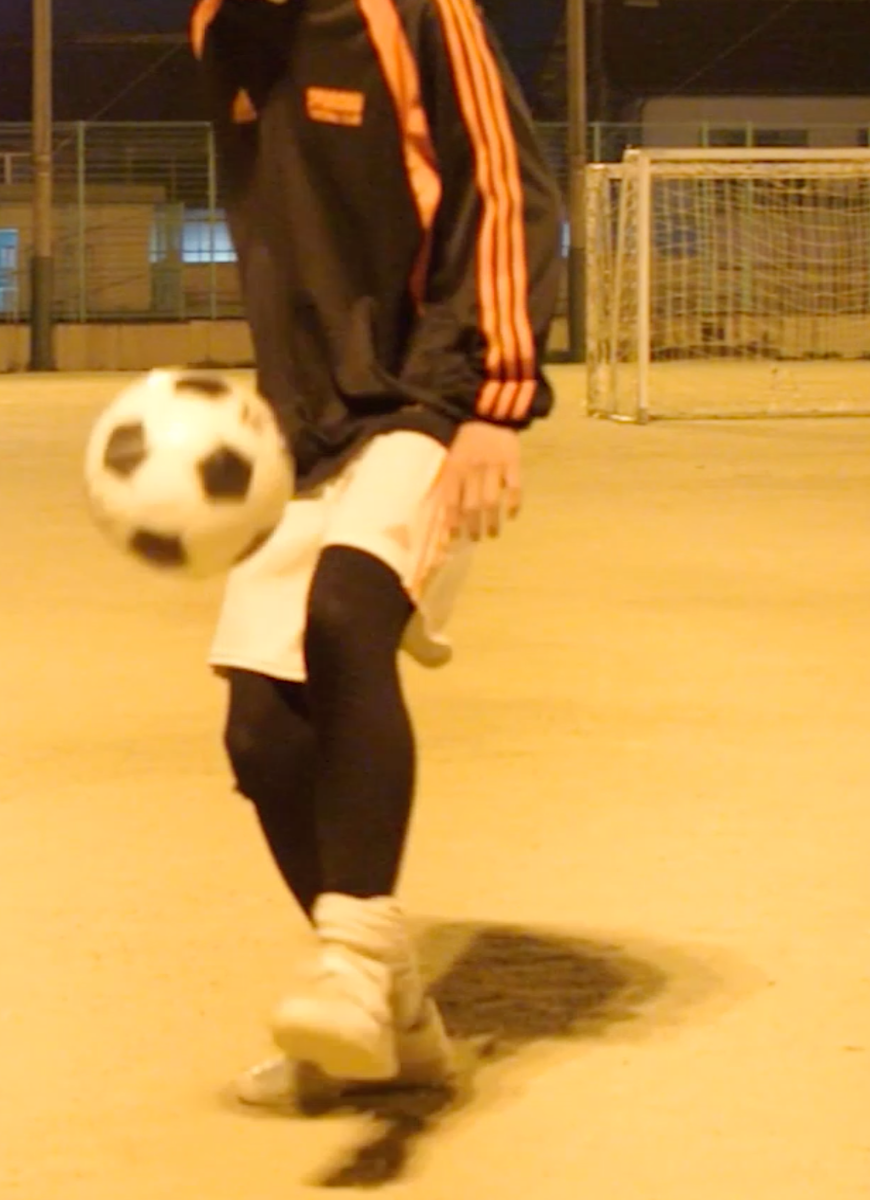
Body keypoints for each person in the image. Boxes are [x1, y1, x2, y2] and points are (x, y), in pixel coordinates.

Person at [188, 0, 563, 1110]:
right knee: (261, 734)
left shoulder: (418, 13)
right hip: (303, 425)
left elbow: (508, 190)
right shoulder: (224, 26)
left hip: (428, 394)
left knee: (348, 615)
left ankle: (351, 961)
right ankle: (396, 1019)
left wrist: (494, 398)